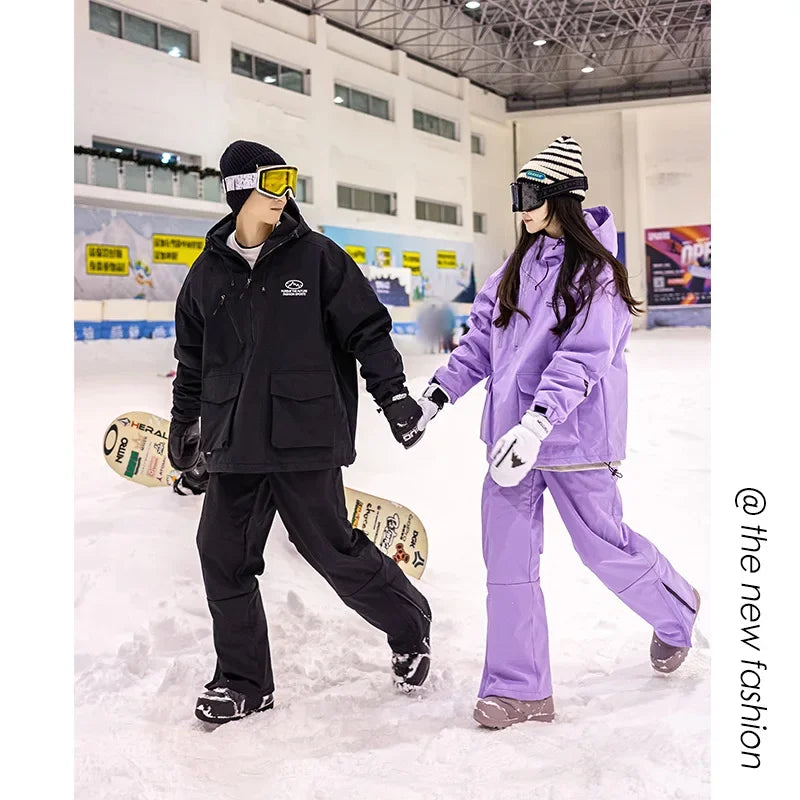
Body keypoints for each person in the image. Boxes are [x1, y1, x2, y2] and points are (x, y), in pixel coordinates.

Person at [414, 135, 700, 730]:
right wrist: (438, 394)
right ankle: (521, 690)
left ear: (559, 198)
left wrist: (539, 422)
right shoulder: (512, 270)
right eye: (516, 195)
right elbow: (480, 347)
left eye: (529, 195)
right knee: (508, 564)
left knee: (604, 547)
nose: (520, 208)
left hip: (572, 441)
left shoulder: (595, 275)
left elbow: (583, 358)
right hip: (508, 449)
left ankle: (676, 610)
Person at [169, 140, 432, 725]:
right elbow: (192, 358)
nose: (286, 191)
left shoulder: (317, 258)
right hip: (234, 441)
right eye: (274, 180)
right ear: (241, 190)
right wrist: (185, 422)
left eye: (290, 179)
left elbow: (367, 330)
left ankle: (410, 626)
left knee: (329, 549)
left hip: (303, 435)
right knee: (221, 555)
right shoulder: (207, 273)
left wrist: (393, 395)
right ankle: (243, 682)